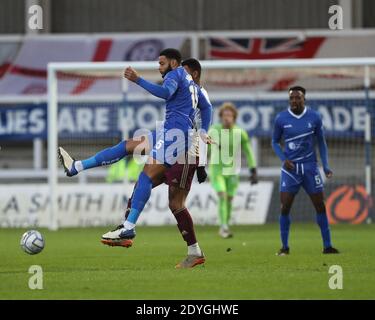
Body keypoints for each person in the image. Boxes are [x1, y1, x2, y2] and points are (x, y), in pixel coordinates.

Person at [58, 49, 213, 267]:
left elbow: (170, 94)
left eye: (161, 63)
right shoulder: (191, 85)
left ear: (179, 66)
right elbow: (206, 108)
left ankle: (131, 228)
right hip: (169, 132)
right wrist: (205, 131)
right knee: (129, 147)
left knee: (167, 195)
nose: (159, 67)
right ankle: (77, 167)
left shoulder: (178, 76)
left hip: (182, 142)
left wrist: (137, 79)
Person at [271, 86, 339, 255]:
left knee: (320, 206)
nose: (294, 101)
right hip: (290, 169)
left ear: (304, 99)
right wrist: (283, 159)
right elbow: (274, 141)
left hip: (310, 168)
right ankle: (285, 247)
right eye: (291, 98)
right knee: (285, 207)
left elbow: (321, 142)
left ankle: (327, 246)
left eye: (297, 98)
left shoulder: (314, 117)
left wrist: (326, 165)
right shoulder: (281, 118)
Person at [208, 102, 258, 238]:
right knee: (222, 196)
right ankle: (223, 227)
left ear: (234, 117)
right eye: (224, 115)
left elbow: (248, 151)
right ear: (220, 117)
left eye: (229, 115)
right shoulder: (214, 131)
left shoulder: (240, 132)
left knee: (229, 199)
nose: (227, 118)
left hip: (232, 171)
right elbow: (205, 149)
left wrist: (253, 169)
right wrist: (198, 165)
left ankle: (225, 225)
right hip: (217, 170)